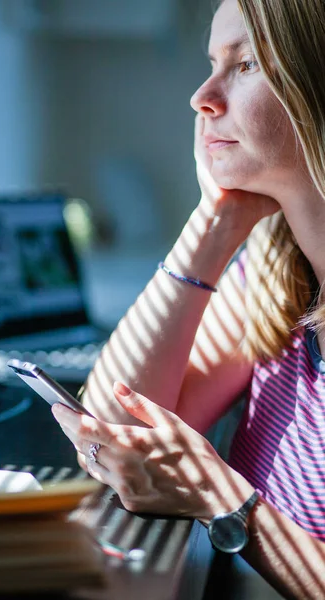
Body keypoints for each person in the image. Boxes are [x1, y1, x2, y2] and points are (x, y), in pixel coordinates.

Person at [52, 0, 325, 597]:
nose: (202, 96)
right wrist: (214, 223)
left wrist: (219, 495)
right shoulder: (278, 274)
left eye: (246, 64)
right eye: (211, 63)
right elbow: (112, 428)